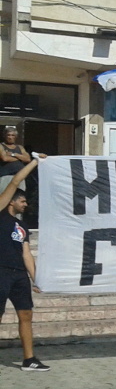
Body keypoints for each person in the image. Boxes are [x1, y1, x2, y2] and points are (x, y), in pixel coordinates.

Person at [0, 157, 49, 370]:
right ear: (12, 201)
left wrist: (36, 279)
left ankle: (29, 359)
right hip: (1, 272)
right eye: (22, 201)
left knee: (26, 314)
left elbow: (27, 254)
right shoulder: (1, 212)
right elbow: (14, 182)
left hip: (19, 274)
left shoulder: (22, 226)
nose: (26, 204)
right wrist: (35, 162)